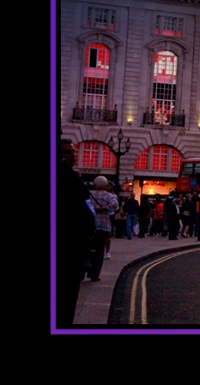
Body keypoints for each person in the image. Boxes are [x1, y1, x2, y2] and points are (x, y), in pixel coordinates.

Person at [56, 139, 93, 327]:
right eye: (67, 152)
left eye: (73, 151)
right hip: (68, 249)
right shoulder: (67, 176)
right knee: (65, 301)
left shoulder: (69, 175)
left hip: (72, 248)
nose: (73, 155)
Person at [87, 176, 119, 281]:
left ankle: (85, 268)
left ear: (95, 184)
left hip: (89, 225)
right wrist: (106, 208)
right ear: (106, 185)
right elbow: (115, 205)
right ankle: (95, 274)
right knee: (99, 251)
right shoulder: (108, 195)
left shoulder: (89, 194)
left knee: (86, 248)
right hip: (102, 226)